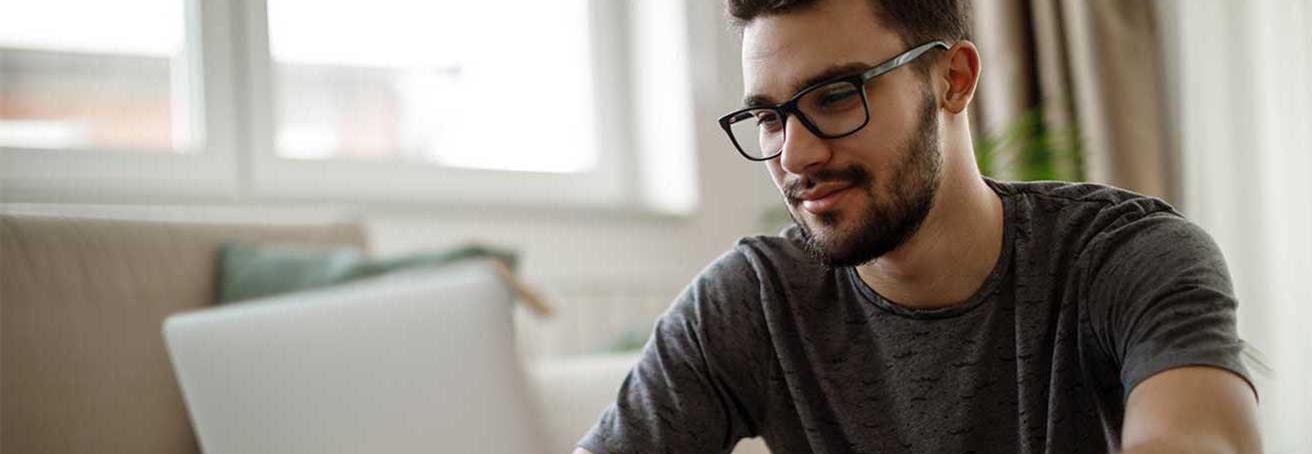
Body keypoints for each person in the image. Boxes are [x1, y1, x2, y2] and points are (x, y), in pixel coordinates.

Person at [574, 0, 1261, 452]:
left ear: (953, 79)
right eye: (770, 116)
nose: (796, 155)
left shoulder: (1127, 258)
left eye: (837, 96)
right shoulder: (753, 302)